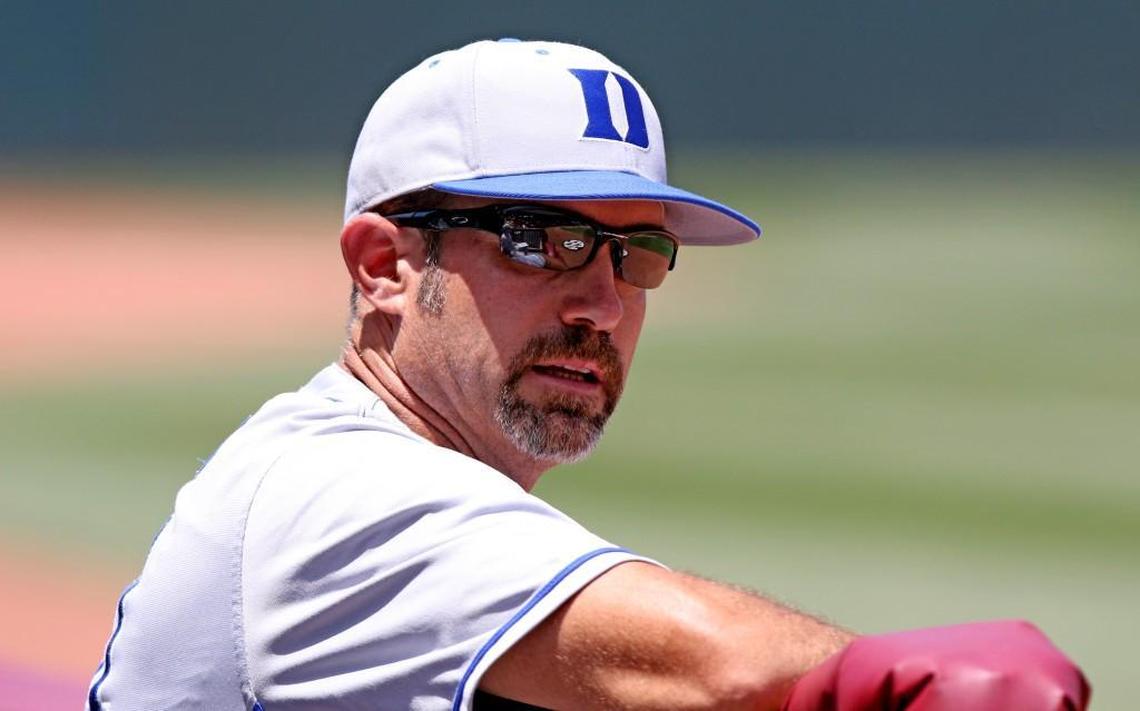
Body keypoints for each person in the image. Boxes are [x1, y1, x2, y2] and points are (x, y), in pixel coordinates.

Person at [87, 39, 1089, 711]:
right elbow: (723, 667)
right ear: (385, 267)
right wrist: (900, 680)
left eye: (635, 253)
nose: (602, 302)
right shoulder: (334, 498)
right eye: (541, 240)